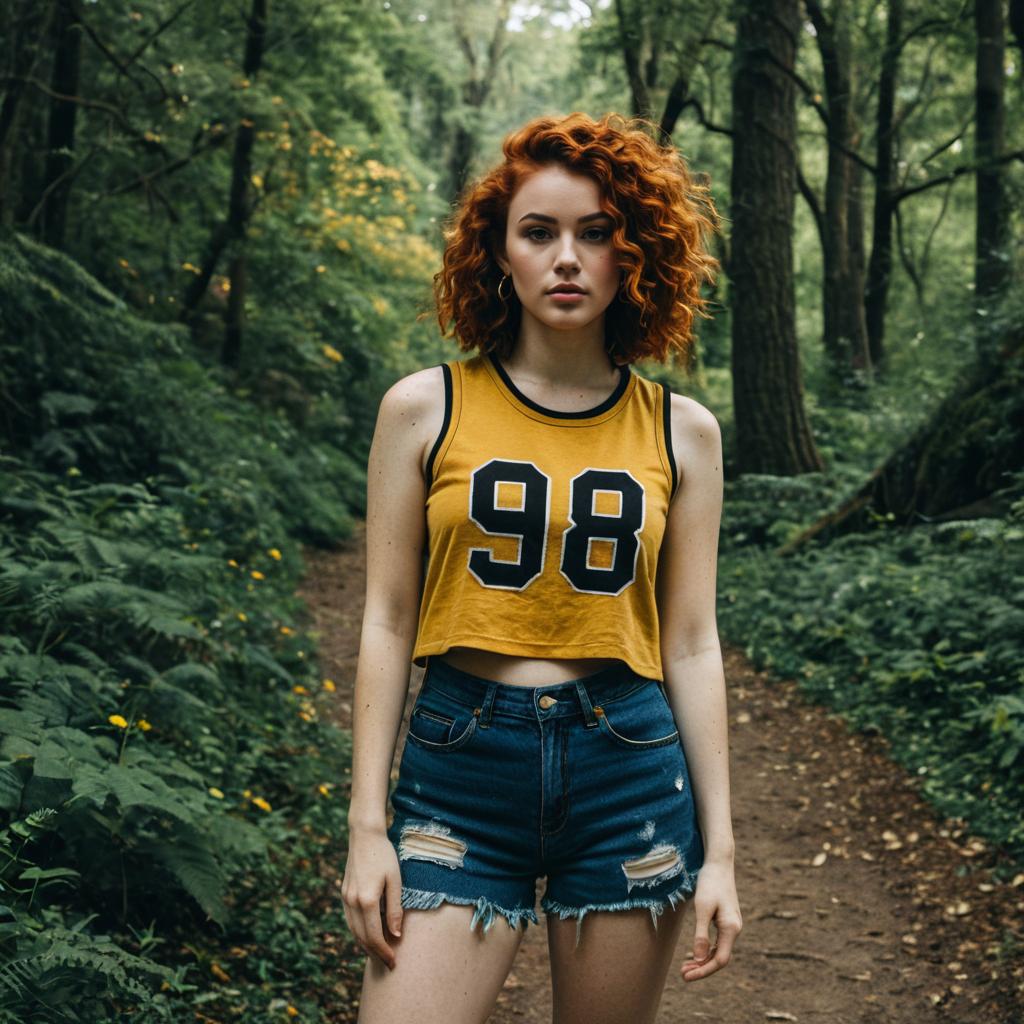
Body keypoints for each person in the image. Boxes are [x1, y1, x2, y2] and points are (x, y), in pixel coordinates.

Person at [342, 111, 741, 1024]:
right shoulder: (421, 410)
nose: (568, 257)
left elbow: (690, 642)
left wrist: (721, 849)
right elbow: (386, 620)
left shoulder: (684, 433)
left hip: (629, 772)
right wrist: (367, 826)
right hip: (459, 771)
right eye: (540, 232)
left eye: (595, 234)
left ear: (632, 254)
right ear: (501, 252)